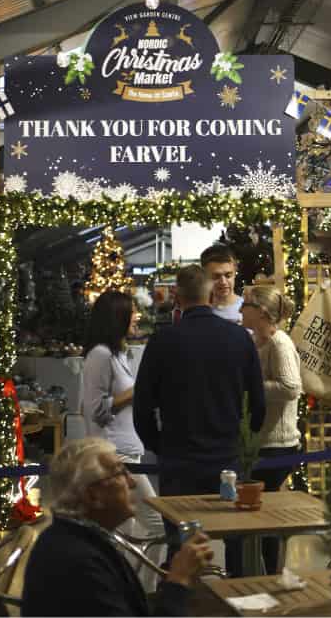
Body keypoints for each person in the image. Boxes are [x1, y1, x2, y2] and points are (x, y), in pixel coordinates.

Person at [133, 264, 265, 577]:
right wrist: (245, 443)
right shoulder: (239, 338)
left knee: (181, 551)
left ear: (176, 295)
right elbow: (257, 404)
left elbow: (142, 407)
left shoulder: (163, 341)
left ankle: (182, 605)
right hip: (228, 460)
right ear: (210, 292)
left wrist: (160, 446)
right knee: (238, 547)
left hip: (179, 461)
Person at [21, 438, 213, 616]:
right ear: (93, 496)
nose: (133, 481)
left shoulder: (77, 539)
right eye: (120, 472)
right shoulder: (78, 564)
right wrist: (179, 580)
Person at [82, 291, 165, 552]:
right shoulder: (101, 355)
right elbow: (95, 409)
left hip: (128, 453)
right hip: (115, 456)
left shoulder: (116, 355)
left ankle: (131, 586)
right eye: (132, 311)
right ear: (117, 317)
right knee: (160, 525)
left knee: (125, 533)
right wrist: (138, 390)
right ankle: (150, 588)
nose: (137, 316)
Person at [241, 285, 303, 574]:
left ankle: (274, 579)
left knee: (267, 520)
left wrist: (252, 388)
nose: (241, 310)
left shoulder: (279, 344)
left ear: (261, 312)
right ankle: (267, 577)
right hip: (262, 441)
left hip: (277, 443)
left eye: (246, 305)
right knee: (261, 518)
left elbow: (291, 388)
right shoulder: (258, 341)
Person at [201, 244, 243, 323]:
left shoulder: (247, 310)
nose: (223, 282)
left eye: (228, 275)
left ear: (235, 274)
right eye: (216, 276)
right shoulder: (200, 314)